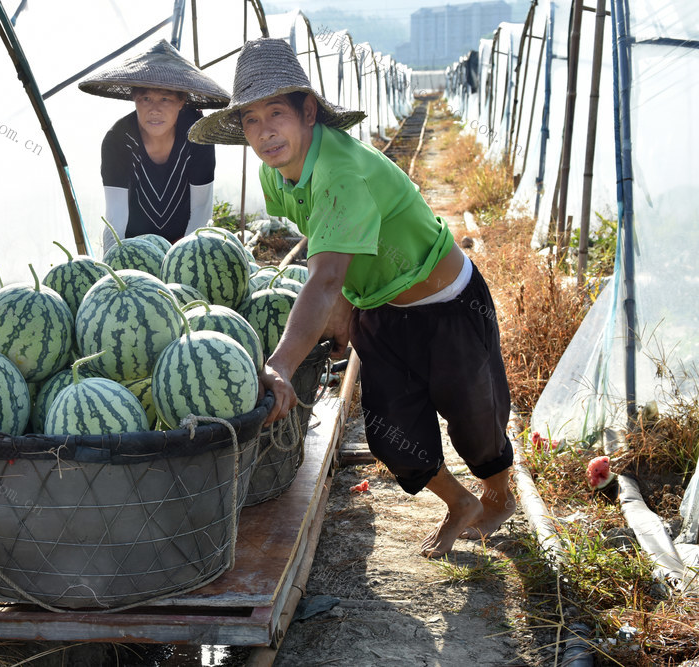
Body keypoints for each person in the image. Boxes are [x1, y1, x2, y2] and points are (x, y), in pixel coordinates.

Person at [189, 38, 515, 559]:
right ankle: (461, 503)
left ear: (308, 112)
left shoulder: (341, 172)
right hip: (379, 308)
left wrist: (278, 364)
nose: (265, 130)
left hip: (447, 303)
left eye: (277, 112)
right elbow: (326, 255)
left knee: (476, 418)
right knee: (391, 430)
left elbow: (322, 278)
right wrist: (344, 306)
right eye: (251, 120)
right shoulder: (275, 172)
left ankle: (498, 496)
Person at [78, 40, 230, 251]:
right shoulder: (118, 140)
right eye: (146, 98)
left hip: (185, 240)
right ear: (134, 99)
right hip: (135, 246)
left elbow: (201, 208)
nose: (155, 109)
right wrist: (116, 257)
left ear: (181, 101)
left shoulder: (197, 135)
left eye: (165, 99)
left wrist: (184, 256)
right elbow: (116, 215)